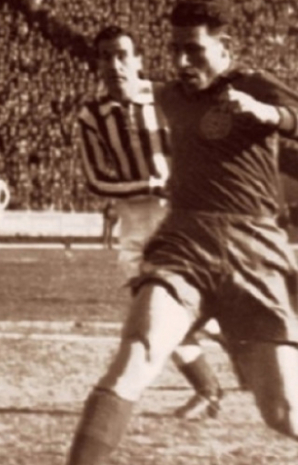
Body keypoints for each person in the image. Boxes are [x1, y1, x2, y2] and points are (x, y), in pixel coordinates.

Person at [36, 1, 298, 465]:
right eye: (175, 50)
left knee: (283, 411)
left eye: (193, 49)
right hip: (185, 242)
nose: (181, 61)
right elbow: (120, 81)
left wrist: (272, 115)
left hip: (254, 250)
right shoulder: (169, 96)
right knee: (140, 347)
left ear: (224, 47)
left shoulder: (254, 84)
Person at [76, 25, 223, 421]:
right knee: (153, 311)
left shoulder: (165, 98)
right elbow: (95, 179)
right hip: (134, 222)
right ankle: (209, 389)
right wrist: (150, 185)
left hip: (178, 215)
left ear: (138, 59)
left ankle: (222, 376)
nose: (114, 64)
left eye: (122, 55)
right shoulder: (91, 115)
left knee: (183, 306)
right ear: (97, 64)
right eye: (106, 56)